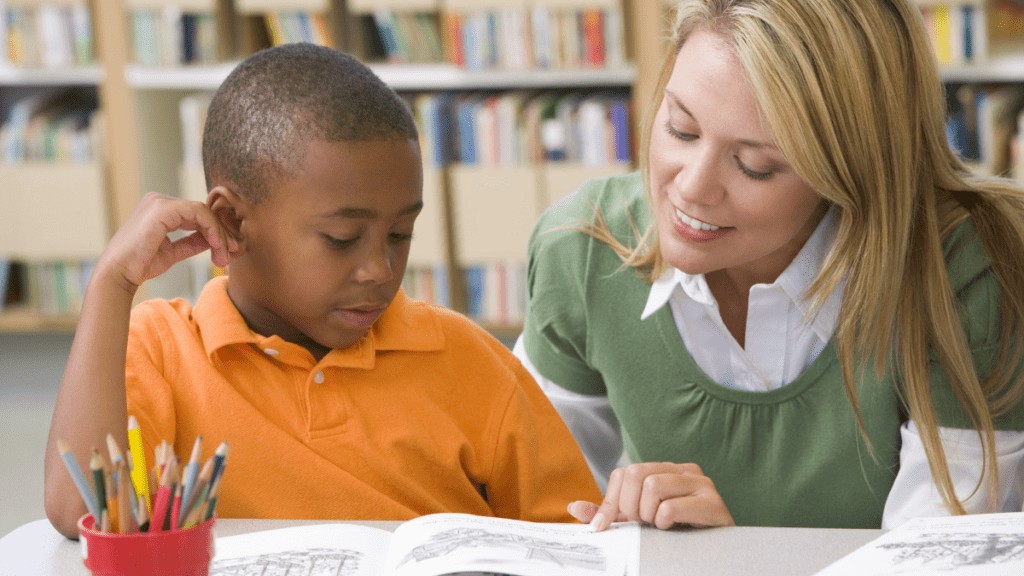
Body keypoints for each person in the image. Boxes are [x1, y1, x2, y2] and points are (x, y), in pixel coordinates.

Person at [43, 43, 600, 539]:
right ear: (231, 222)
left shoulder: (471, 363)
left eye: (401, 234)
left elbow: (578, 542)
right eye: (341, 239)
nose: (380, 269)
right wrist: (111, 285)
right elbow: (81, 513)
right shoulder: (162, 350)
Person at [515, 0, 1024, 531]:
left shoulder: (968, 269)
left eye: (755, 166)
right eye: (681, 129)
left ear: (850, 171)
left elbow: (933, 558)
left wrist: (737, 561)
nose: (690, 188)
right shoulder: (580, 247)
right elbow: (534, 514)